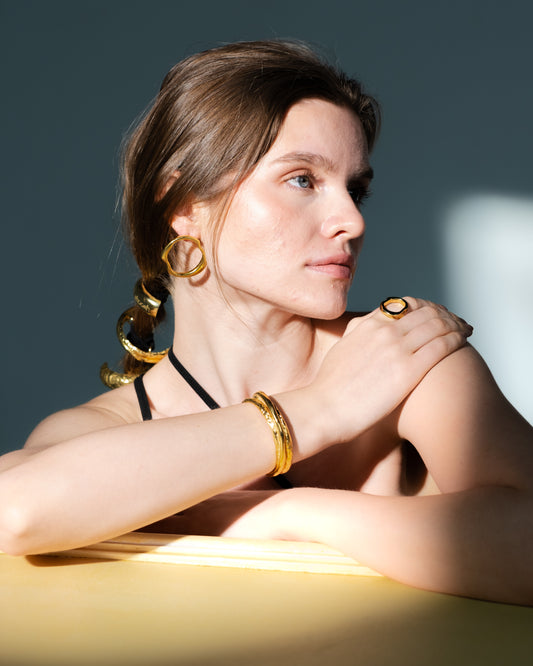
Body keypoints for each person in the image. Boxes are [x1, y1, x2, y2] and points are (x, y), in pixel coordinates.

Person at [1, 40, 531, 605]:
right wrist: (321, 409)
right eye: (303, 179)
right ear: (182, 204)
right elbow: (15, 511)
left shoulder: (402, 356)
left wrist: (286, 513)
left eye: (355, 190)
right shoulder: (103, 429)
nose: (352, 221)